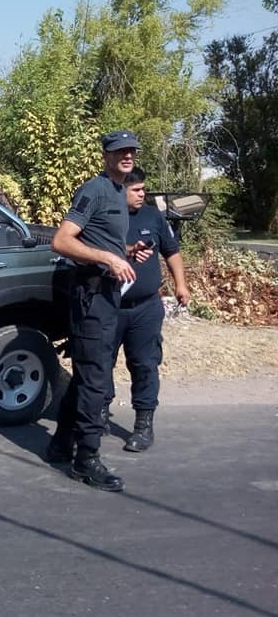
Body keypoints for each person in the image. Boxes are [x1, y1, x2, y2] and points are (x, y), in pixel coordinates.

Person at [45, 130, 148, 493]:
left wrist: (126, 251)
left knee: (88, 373)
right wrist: (107, 257)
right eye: (120, 151)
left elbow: (101, 239)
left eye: (131, 150)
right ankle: (86, 460)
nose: (127, 155)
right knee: (96, 379)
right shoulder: (95, 189)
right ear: (106, 155)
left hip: (106, 294)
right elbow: (63, 240)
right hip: (90, 295)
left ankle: (61, 444)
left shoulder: (120, 192)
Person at [103, 166, 190, 452]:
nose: (143, 195)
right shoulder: (105, 217)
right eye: (137, 190)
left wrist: (181, 285)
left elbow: (172, 251)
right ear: (121, 191)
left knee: (144, 364)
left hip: (146, 308)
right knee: (101, 363)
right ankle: (98, 413)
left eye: (144, 189)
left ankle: (143, 424)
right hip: (109, 305)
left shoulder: (153, 217)